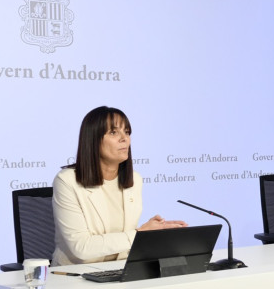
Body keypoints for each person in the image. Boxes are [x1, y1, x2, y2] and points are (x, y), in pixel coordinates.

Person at [51, 106, 187, 266]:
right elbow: (81, 248)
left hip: (119, 270)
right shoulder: (67, 181)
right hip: (73, 276)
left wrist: (152, 233)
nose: (125, 139)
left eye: (127, 132)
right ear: (93, 139)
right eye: (114, 132)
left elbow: (126, 242)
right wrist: (140, 234)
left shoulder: (134, 180)